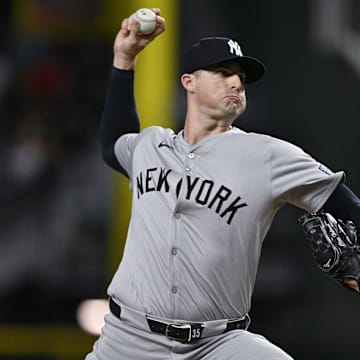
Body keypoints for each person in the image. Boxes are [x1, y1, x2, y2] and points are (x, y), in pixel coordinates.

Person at [86, 8, 360, 360]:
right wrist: (124, 59)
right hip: (128, 340)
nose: (236, 83)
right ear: (189, 82)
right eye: (223, 72)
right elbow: (113, 144)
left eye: (241, 77)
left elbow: (346, 204)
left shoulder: (267, 154)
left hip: (218, 345)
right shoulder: (151, 146)